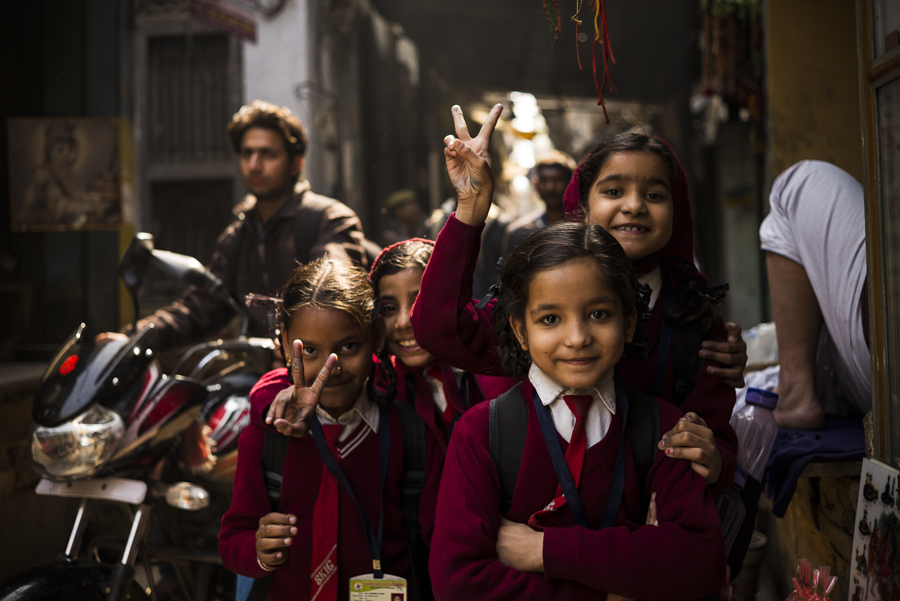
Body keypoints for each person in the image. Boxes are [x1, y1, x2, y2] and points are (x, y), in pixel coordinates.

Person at [412, 106, 741, 499]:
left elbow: (718, 442)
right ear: (582, 206)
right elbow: (438, 326)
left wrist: (716, 462)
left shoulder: (696, 321)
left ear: (678, 210)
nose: (634, 205)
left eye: (654, 194)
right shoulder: (539, 301)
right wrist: (470, 208)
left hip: (649, 529)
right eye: (614, 191)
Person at [428, 222, 726, 599]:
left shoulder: (664, 430)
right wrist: (620, 583)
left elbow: (699, 565)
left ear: (629, 321)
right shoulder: (482, 433)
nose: (577, 338)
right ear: (521, 331)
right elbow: (458, 585)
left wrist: (544, 551)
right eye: (550, 319)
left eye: (599, 314)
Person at [219, 259, 439, 601]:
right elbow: (233, 539)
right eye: (308, 350)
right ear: (282, 344)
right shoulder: (267, 436)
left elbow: (443, 541)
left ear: (376, 338)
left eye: (349, 346)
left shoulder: (411, 434)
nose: (328, 368)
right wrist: (260, 550)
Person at [131, 100, 369, 350]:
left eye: (268, 154)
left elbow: (334, 286)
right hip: (260, 373)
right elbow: (200, 309)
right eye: (247, 154)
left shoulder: (328, 219)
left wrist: (291, 334)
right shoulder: (237, 239)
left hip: (318, 368)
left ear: (296, 163)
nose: (254, 164)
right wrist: (133, 337)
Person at [369, 238, 516, 455]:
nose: (403, 322)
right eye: (389, 308)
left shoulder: (500, 368)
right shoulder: (377, 389)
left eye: (420, 304)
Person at [759, 161, 870, 429]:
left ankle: (795, 394)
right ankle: (804, 387)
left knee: (797, 183)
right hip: (876, 384)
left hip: (883, 375)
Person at [500, 150, 577, 257]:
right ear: (536, 184)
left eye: (558, 180)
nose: (550, 187)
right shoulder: (521, 233)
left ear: (570, 183)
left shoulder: (583, 228)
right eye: (544, 180)